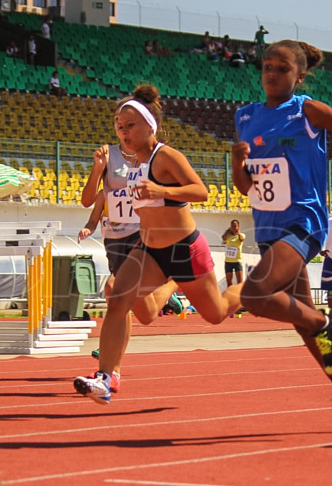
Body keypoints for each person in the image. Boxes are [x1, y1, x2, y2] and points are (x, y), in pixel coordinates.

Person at [233, 39, 332, 432]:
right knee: (301, 325)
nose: (272, 74)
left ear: (299, 76)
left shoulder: (307, 111)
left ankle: (324, 323)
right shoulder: (245, 117)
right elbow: (246, 186)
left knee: (254, 296)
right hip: (268, 228)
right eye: (267, 67)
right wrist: (238, 165)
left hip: (303, 223)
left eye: (282, 69)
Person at [75, 85, 241, 404]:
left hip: (184, 249)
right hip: (149, 251)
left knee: (216, 313)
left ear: (149, 126)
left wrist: (162, 191)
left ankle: (247, 289)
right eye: (119, 126)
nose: (123, 131)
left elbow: (201, 191)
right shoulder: (132, 164)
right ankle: (106, 379)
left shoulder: (164, 156)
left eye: (130, 125)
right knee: (118, 298)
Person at [76, 136, 179, 376]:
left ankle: (111, 368)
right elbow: (87, 205)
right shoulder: (105, 178)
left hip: (140, 236)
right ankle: (174, 283)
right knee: (144, 312)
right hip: (114, 244)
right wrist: (97, 168)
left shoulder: (148, 156)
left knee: (113, 289)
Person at [221, 219, 246, 286]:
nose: (233, 227)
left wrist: (238, 232)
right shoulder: (228, 235)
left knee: (240, 283)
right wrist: (228, 230)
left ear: (238, 227)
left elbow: (241, 239)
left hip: (237, 261)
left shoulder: (241, 235)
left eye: (235, 226)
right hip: (228, 261)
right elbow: (223, 238)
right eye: (232, 226)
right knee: (229, 283)